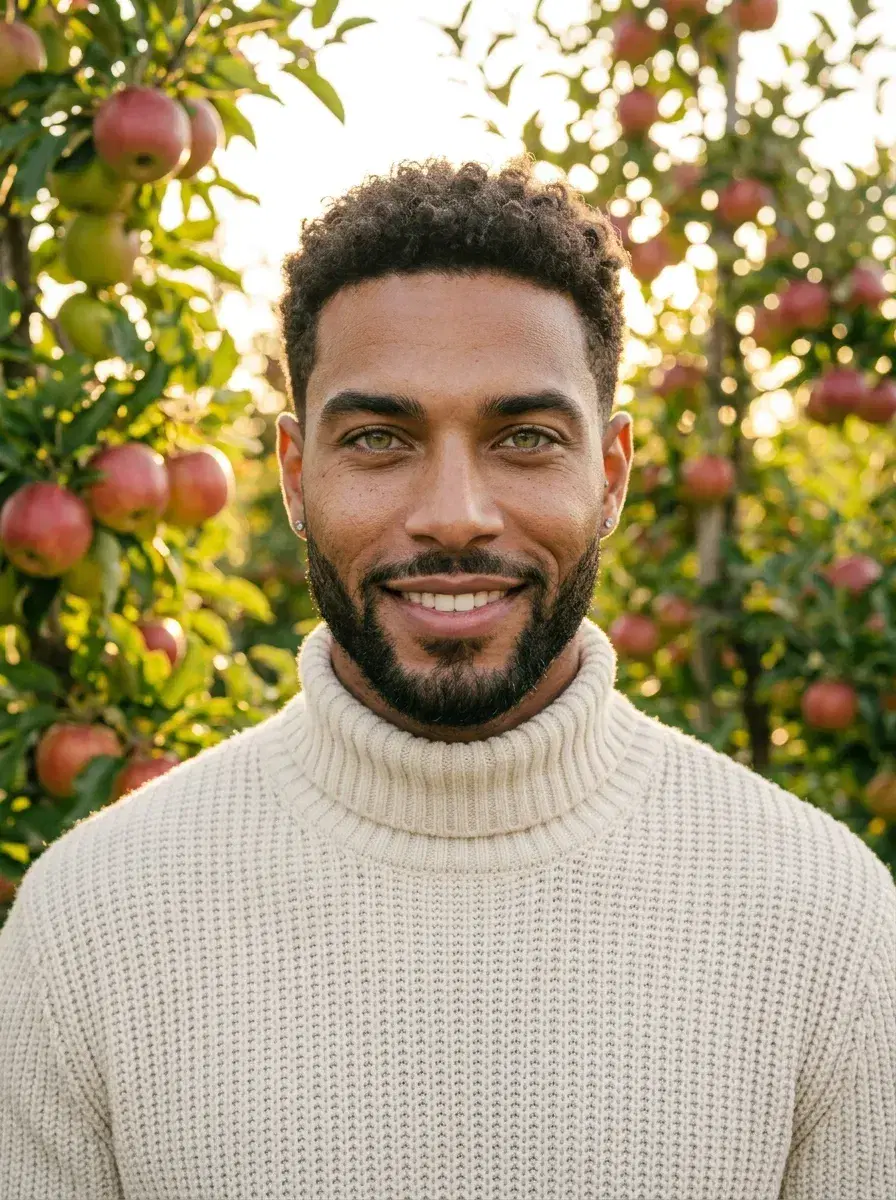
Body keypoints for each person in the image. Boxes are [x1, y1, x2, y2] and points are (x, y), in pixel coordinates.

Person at [1, 158, 893, 1199]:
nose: (456, 512)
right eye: (380, 439)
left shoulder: (825, 924)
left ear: (607, 476)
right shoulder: (92, 922)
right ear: (294, 476)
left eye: (524, 439)